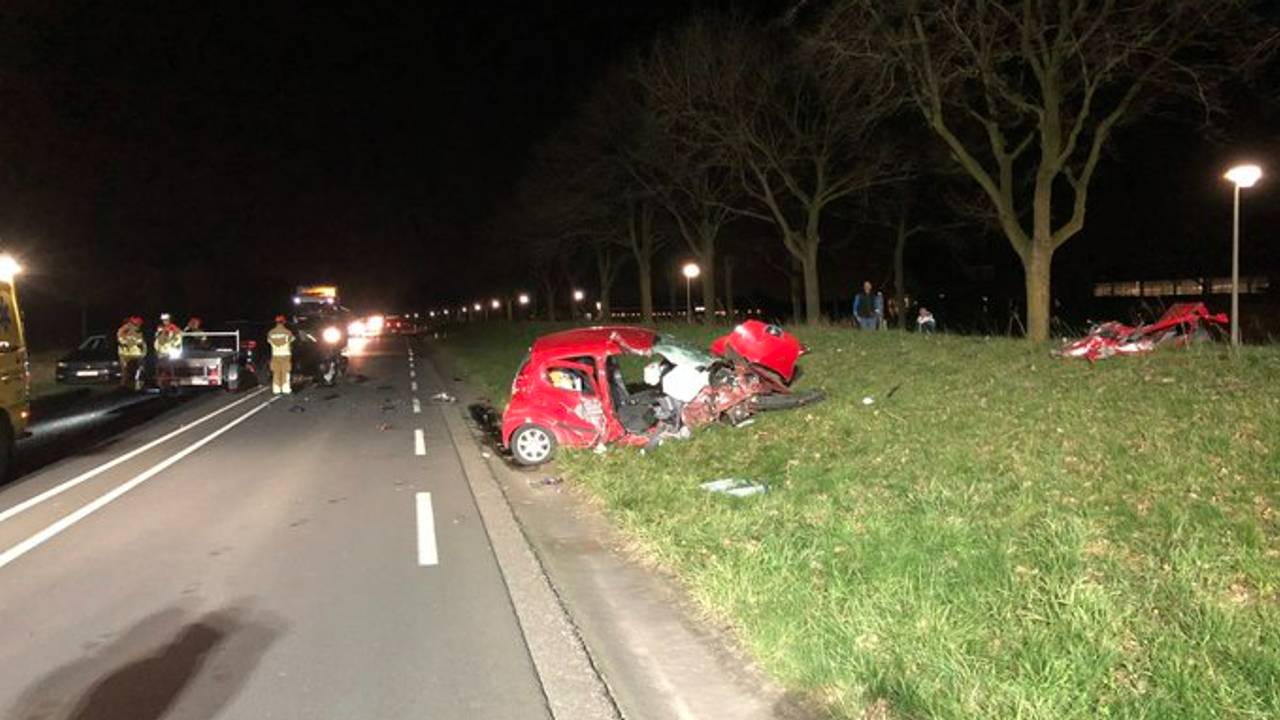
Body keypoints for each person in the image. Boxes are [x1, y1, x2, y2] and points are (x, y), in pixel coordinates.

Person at [116, 315, 146, 390]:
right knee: (128, 372)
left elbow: (142, 342)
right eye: (139, 323)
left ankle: (130, 387)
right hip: (128, 354)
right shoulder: (126, 329)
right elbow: (122, 340)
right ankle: (127, 387)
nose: (140, 325)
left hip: (134, 354)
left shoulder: (137, 329)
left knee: (133, 372)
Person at [267, 315, 295, 394]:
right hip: (285, 354)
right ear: (284, 322)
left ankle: (276, 389)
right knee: (285, 372)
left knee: (276, 372)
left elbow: (269, 341)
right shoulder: (288, 332)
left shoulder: (271, 332)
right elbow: (292, 340)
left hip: (275, 354)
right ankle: (285, 389)